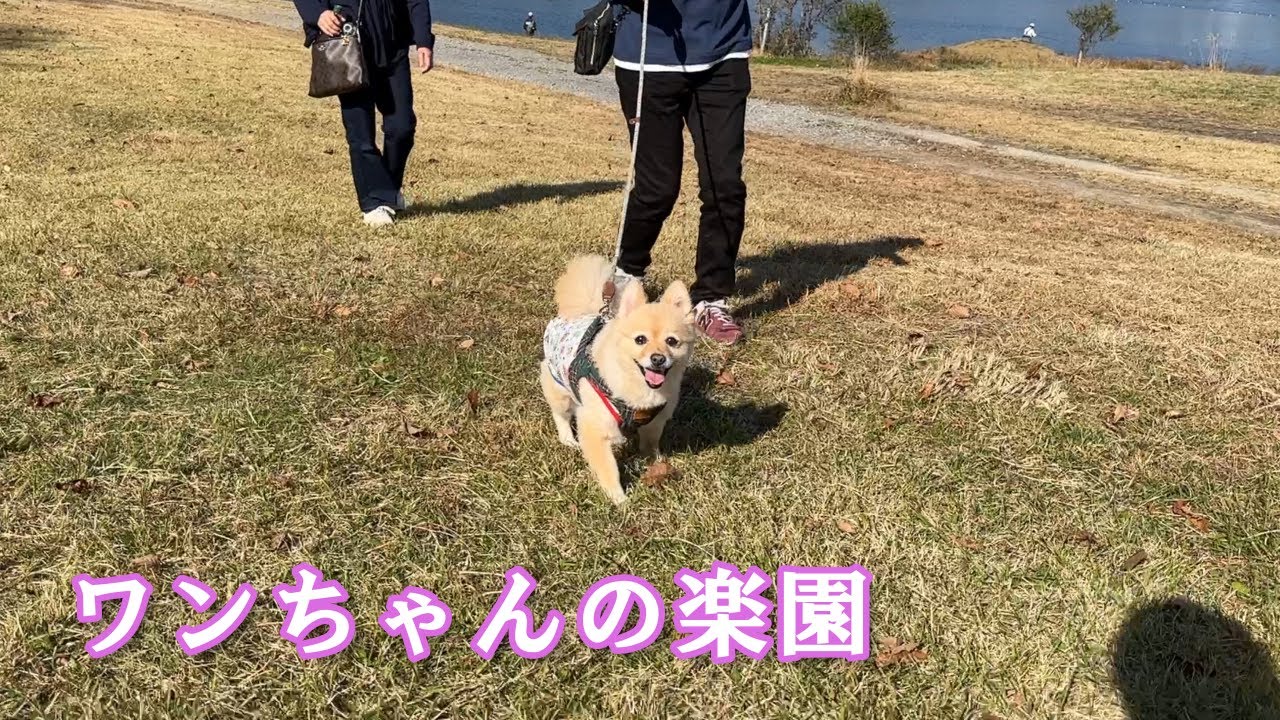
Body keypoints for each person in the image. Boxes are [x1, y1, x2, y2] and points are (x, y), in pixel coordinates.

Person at [608, 0, 753, 345]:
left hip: (724, 52)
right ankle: (627, 273)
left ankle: (711, 299)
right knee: (657, 188)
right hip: (649, 56)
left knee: (724, 184)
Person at [293, 0, 435, 226]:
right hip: (348, 42)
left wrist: (423, 40)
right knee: (361, 134)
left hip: (393, 46)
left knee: (402, 127)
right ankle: (373, 203)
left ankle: (388, 190)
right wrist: (319, 14)